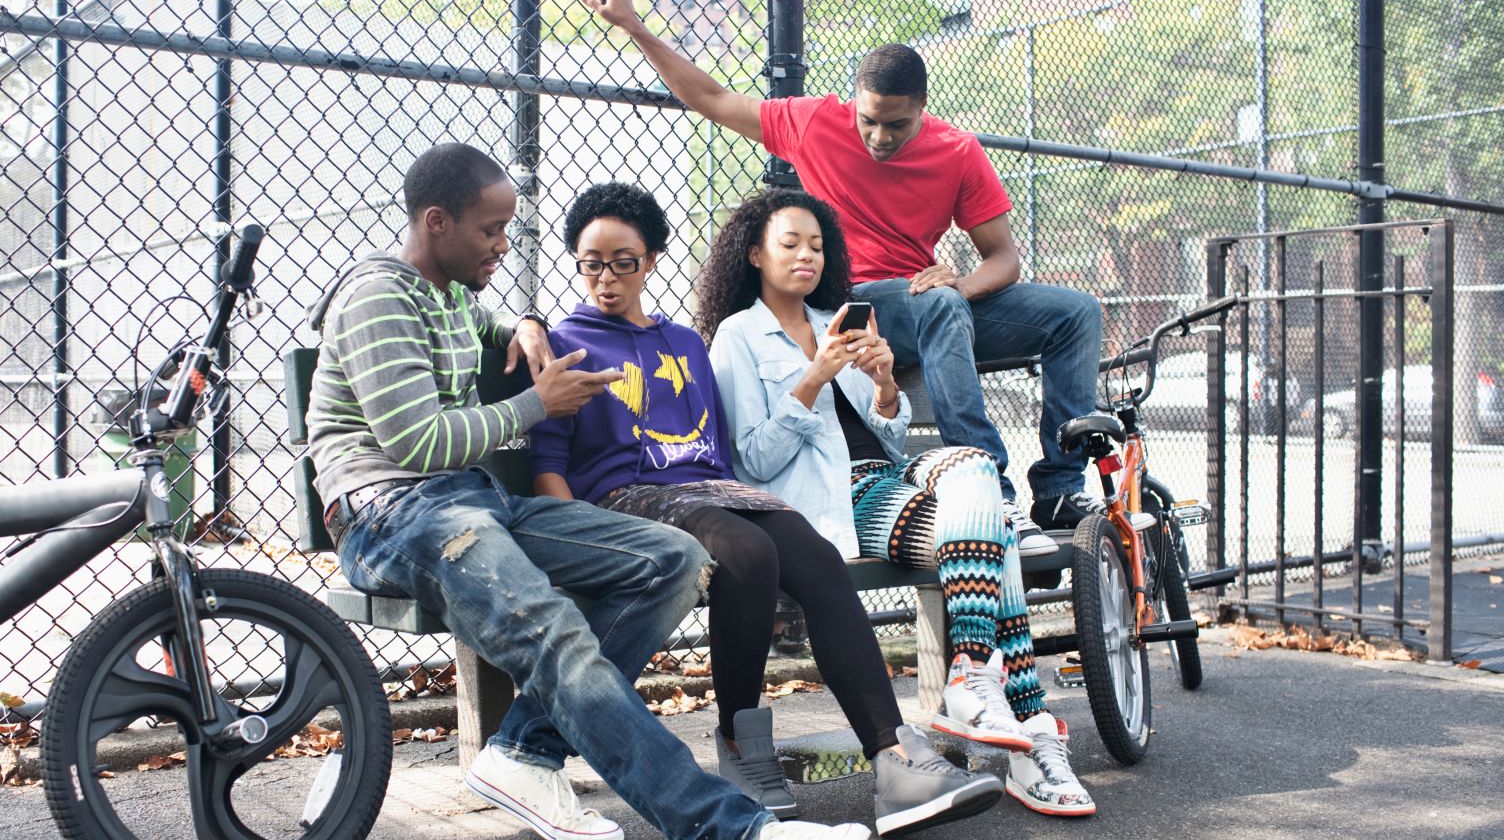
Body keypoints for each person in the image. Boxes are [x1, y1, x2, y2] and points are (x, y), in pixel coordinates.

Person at [306, 144, 869, 840]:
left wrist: (529, 324)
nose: (503, 247)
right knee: (556, 630)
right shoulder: (380, 297)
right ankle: (734, 828)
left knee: (673, 560)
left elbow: (506, 329)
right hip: (391, 515)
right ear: (436, 222)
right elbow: (418, 446)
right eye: (491, 231)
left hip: (470, 503)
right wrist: (536, 404)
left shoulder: (449, 295)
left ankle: (521, 752)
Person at [528, 182, 1003, 837]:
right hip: (622, 502)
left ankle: (895, 761)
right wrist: (580, 534)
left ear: (653, 260)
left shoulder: (684, 344)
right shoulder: (564, 343)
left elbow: (721, 455)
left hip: (706, 490)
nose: (606, 278)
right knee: (749, 553)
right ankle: (741, 747)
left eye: (624, 262)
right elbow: (549, 462)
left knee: (808, 550)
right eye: (591, 263)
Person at [584, 0, 1105, 542]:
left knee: (1075, 312)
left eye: (896, 125)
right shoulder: (816, 122)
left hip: (933, 304)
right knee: (943, 308)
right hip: (860, 301)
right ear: (854, 102)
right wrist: (634, 27)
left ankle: (1057, 489)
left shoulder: (957, 151)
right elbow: (712, 99)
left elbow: (1003, 259)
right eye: (868, 120)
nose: (879, 136)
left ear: (922, 110)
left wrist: (961, 283)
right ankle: (992, 490)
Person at [698, 190, 1096, 817]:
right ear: (754, 255)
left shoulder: (838, 318)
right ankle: (1033, 737)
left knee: (974, 466)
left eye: (817, 245)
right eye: (790, 244)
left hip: (889, 474)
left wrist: (883, 385)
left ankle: (969, 667)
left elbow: (884, 435)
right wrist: (813, 378)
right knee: (999, 534)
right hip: (830, 500)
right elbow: (752, 460)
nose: (807, 255)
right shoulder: (737, 336)